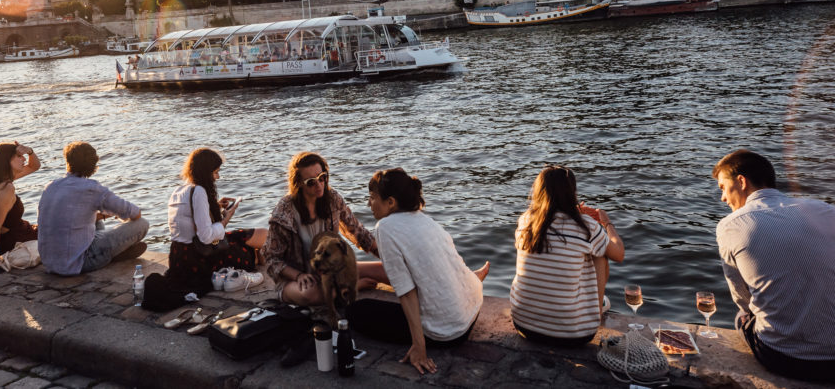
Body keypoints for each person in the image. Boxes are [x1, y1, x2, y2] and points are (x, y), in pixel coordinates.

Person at [347, 168, 488, 375]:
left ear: (391, 202)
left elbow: (406, 291)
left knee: (355, 312)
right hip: (472, 308)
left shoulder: (385, 227)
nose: (369, 204)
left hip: (449, 331)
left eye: (373, 198)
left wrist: (419, 347)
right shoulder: (422, 218)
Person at [712, 149, 835, 381]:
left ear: (741, 181)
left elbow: (742, 299)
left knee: (742, 316)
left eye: (722, 188)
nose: (723, 198)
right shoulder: (826, 211)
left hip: (785, 358)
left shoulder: (731, 225)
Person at [510, 166, 624, 347]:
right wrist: (606, 222)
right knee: (600, 255)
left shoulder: (526, 220)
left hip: (524, 325)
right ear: (573, 192)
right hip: (574, 334)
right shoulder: (586, 226)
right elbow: (619, 254)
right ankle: (597, 310)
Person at [261, 151, 383, 306]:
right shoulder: (284, 212)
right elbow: (271, 259)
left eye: (322, 177)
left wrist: (385, 256)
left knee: (388, 271)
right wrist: (298, 276)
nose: (319, 185)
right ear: (298, 183)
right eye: (311, 182)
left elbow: (358, 231)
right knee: (310, 295)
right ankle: (349, 289)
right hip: (299, 280)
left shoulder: (332, 199)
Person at [37, 141, 149, 276]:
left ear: (68, 162)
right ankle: (113, 254)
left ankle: (112, 252)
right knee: (142, 224)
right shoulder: (92, 189)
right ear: (93, 165)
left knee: (95, 219)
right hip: (80, 262)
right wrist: (115, 215)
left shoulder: (51, 186)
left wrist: (102, 214)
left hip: (50, 262)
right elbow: (135, 213)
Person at [166, 148, 266, 293]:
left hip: (179, 256)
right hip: (198, 258)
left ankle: (258, 257)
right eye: (215, 172)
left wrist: (216, 207)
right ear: (205, 172)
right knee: (251, 248)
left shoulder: (179, 190)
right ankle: (256, 260)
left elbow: (191, 221)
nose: (217, 177)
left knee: (261, 235)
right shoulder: (199, 191)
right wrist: (226, 219)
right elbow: (206, 237)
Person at [0, 142, 41, 278]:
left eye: (23, 156)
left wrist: (30, 151)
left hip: (19, 233)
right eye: (18, 156)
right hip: (18, 239)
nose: (23, 159)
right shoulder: (6, 189)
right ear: (6, 161)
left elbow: (35, 166)